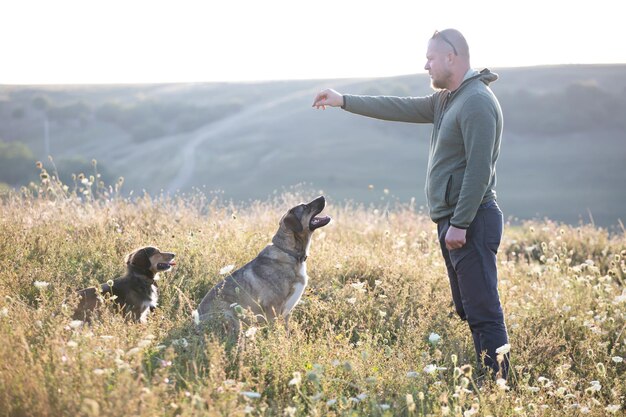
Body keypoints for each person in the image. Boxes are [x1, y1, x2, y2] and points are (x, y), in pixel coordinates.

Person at [312, 28, 509, 380]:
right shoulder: (450, 98)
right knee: (469, 309)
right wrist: (344, 100)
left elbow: (480, 170)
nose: (426, 65)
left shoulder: (476, 101)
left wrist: (461, 223)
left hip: (472, 220)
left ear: (452, 57)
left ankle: (500, 385)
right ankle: (489, 378)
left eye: (431, 58)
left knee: (483, 311)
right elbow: (400, 107)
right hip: (455, 220)